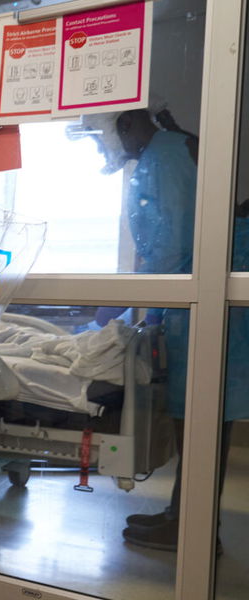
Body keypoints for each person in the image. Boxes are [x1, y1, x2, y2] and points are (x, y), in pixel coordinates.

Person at [98, 107, 247, 552]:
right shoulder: (169, 150)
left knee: (199, 421)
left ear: (125, 124)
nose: (103, 151)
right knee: (203, 420)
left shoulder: (164, 158)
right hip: (201, 304)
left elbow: (171, 244)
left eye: (98, 138)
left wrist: (127, 302)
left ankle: (194, 530)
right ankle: (185, 516)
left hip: (204, 307)